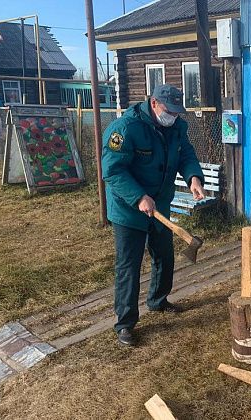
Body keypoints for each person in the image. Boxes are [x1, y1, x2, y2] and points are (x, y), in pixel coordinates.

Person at [101, 84, 206, 346]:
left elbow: (186, 154)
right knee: (129, 265)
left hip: (161, 204)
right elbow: (112, 171)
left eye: (176, 112)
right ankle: (125, 323)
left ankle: (158, 300)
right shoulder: (126, 128)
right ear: (154, 103)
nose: (173, 116)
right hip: (129, 210)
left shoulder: (177, 127)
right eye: (169, 111)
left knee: (164, 256)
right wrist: (138, 196)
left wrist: (193, 177)